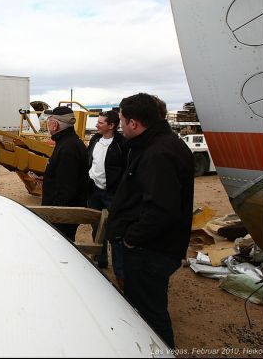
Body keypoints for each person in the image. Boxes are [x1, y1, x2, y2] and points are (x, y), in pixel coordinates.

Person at [106, 92, 194, 349]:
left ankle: (161, 351)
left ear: (134, 123)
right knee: (148, 308)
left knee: (150, 315)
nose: (120, 126)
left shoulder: (158, 153)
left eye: (122, 121)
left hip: (150, 252)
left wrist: (131, 239)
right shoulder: (159, 145)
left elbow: (161, 210)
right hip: (154, 249)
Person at [86, 110, 128, 288]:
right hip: (95, 192)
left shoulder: (122, 144)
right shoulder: (95, 140)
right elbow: (90, 161)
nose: (96, 125)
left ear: (111, 125)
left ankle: (120, 273)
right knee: (97, 228)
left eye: (101, 122)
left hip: (112, 194)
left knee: (115, 233)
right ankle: (100, 261)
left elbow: (126, 169)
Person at [41, 106, 88, 242]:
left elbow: (67, 189)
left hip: (62, 216)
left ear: (55, 125)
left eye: (49, 121)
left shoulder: (68, 148)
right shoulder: (69, 142)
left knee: (61, 244)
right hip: (63, 212)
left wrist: (56, 215)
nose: (47, 125)